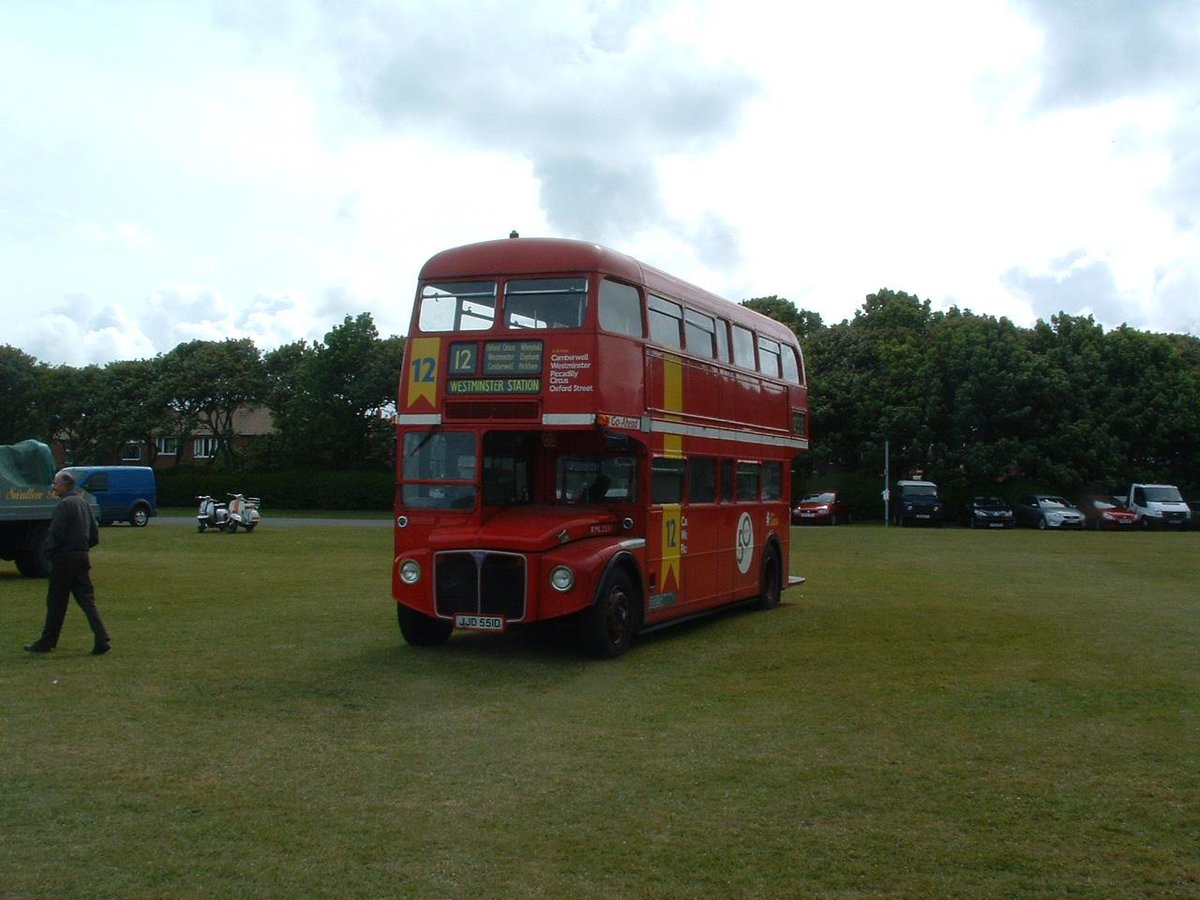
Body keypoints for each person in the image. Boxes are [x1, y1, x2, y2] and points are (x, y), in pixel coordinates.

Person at [24, 470, 111, 656]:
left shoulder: (63, 505)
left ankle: (46, 642)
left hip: (64, 559)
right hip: (82, 556)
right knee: (87, 600)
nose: (53, 487)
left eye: (55, 483)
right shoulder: (83, 503)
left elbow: (55, 534)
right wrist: (82, 548)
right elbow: (94, 535)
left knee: (56, 602)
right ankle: (102, 637)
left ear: (65, 485)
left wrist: (48, 552)